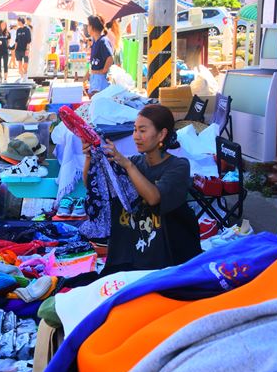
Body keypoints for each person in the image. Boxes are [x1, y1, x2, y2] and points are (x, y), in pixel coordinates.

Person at [83, 104, 201, 274]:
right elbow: (94, 187)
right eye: (134, 130)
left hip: (168, 258)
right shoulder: (136, 162)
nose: (136, 136)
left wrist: (127, 165)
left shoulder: (179, 167)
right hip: (131, 257)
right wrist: (89, 158)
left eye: (142, 131)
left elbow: (154, 197)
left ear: (162, 134)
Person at [83, 14, 113, 97]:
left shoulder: (103, 41)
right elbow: (92, 63)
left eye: (88, 25)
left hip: (101, 80)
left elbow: (110, 58)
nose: (87, 27)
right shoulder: (95, 41)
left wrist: (103, 70)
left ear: (92, 27)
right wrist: (86, 77)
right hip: (95, 78)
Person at [14, 17, 31, 81]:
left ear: (21, 22)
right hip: (18, 50)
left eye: (18, 21)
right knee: (19, 64)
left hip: (25, 49)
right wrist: (15, 50)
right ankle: (21, 77)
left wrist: (27, 49)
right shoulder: (18, 30)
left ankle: (25, 76)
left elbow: (29, 40)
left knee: (25, 64)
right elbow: (16, 40)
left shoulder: (27, 29)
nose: (17, 23)